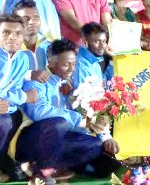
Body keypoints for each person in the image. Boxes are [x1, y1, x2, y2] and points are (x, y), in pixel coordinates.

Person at [17, 39, 120, 183]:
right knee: (59, 123)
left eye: (74, 63)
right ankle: (42, 170)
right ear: (52, 63)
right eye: (66, 64)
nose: (72, 69)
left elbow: (82, 114)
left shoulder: (66, 85)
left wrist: (102, 131)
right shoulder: (37, 81)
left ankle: (52, 165)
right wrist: (79, 119)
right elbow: (38, 112)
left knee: (95, 145)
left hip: (54, 142)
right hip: (30, 140)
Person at [0, 14, 38, 182]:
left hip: (8, 110)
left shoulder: (23, 58)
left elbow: (14, 84)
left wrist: (33, 76)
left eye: (17, 33)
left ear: (23, 36)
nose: (12, 37)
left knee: (9, 120)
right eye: (6, 32)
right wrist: (24, 96)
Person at [13, 0, 51, 72]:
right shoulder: (9, 51)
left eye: (36, 18)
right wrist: (29, 76)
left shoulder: (50, 46)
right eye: (25, 19)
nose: (32, 22)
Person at [71, 22, 112, 89]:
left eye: (104, 41)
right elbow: (82, 97)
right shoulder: (81, 65)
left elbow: (107, 85)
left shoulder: (95, 63)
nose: (102, 46)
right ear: (85, 42)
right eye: (97, 42)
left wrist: (112, 60)